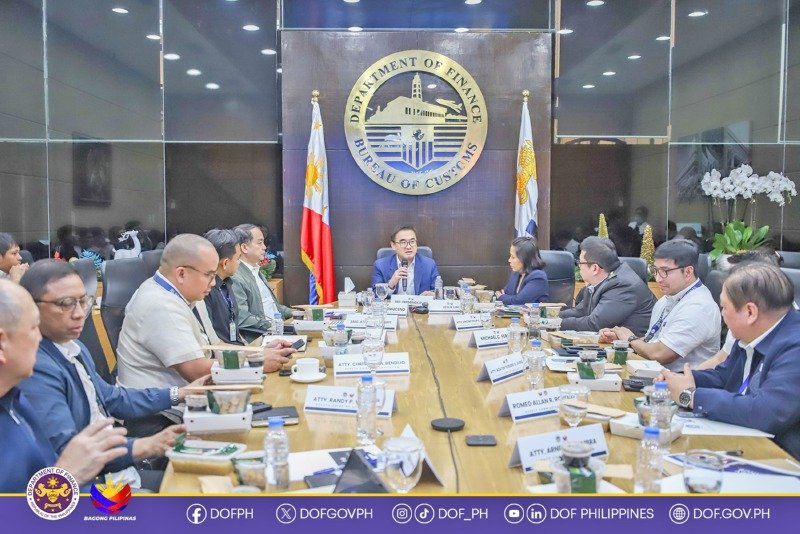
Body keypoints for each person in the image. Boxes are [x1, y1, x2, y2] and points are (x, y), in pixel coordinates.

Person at [16, 260, 202, 489]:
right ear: (31, 307)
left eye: (83, 301)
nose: (79, 313)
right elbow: (68, 455)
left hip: (117, 471)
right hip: (92, 488)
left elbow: (112, 398)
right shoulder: (36, 367)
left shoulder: (73, 347)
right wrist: (146, 445)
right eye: (66, 304)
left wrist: (180, 393)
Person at [658, 262, 800, 459]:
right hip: (748, 443)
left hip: (783, 458)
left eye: (724, 307)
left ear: (750, 312)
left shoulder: (795, 346)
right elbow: (725, 376)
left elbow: (766, 412)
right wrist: (677, 380)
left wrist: (691, 396)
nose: (722, 314)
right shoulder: (752, 334)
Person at [117, 234, 295, 390]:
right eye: (209, 275)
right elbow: (195, 370)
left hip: (193, 395)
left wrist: (257, 352)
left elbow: (216, 347)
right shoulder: (159, 304)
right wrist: (257, 363)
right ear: (181, 274)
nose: (214, 282)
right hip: (163, 410)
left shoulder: (190, 295)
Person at [0, 279, 129, 492]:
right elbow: (19, 513)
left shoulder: (15, 398)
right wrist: (67, 475)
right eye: (33, 328)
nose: (39, 338)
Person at [601, 239, 720, 371]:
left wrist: (630, 339)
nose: (658, 278)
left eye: (665, 271)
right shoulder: (667, 298)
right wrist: (620, 340)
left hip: (683, 380)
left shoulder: (699, 307)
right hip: (655, 372)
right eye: (655, 270)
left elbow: (660, 354)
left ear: (688, 272)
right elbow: (653, 341)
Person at [559, 236, 655, 335]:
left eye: (580, 262)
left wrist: (555, 324)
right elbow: (581, 311)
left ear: (594, 268)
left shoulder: (623, 286)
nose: (579, 266)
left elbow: (594, 325)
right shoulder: (600, 281)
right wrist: (551, 316)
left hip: (635, 343)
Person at [230, 224, 293, 342]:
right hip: (261, 337)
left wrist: (296, 313)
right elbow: (243, 318)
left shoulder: (256, 270)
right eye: (259, 243)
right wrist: (274, 325)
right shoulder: (236, 277)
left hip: (278, 330)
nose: (264, 247)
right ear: (244, 248)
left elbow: (274, 307)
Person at [203, 229, 245, 344]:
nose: (239, 262)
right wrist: (252, 352)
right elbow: (212, 341)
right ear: (225, 263)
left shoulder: (227, 283)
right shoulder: (205, 290)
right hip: (224, 352)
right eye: (238, 258)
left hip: (238, 348)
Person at [372, 225, 440, 296]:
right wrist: (390, 284)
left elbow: (438, 293)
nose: (408, 246)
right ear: (393, 245)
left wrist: (433, 295)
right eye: (403, 242)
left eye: (412, 241)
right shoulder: (380, 265)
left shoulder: (429, 264)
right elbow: (375, 295)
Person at [495, 237, 549, 305]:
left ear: (524, 258)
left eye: (513, 257)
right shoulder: (516, 273)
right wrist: (507, 297)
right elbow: (505, 293)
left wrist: (502, 297)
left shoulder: (538, 277)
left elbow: (519, 301)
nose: (509, 260)